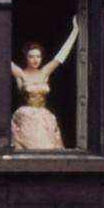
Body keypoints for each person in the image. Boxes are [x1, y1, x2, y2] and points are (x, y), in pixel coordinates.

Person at [10, 22, 80, 152]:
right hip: (26, 118)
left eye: (38, 56)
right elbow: (3, 55)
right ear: (26, 58)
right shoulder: (20, 74)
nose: (35, 60)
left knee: (48, 149)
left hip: (44, 118)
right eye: (31, 57)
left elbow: (61, 57)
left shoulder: (44, 73)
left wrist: (75, 31)